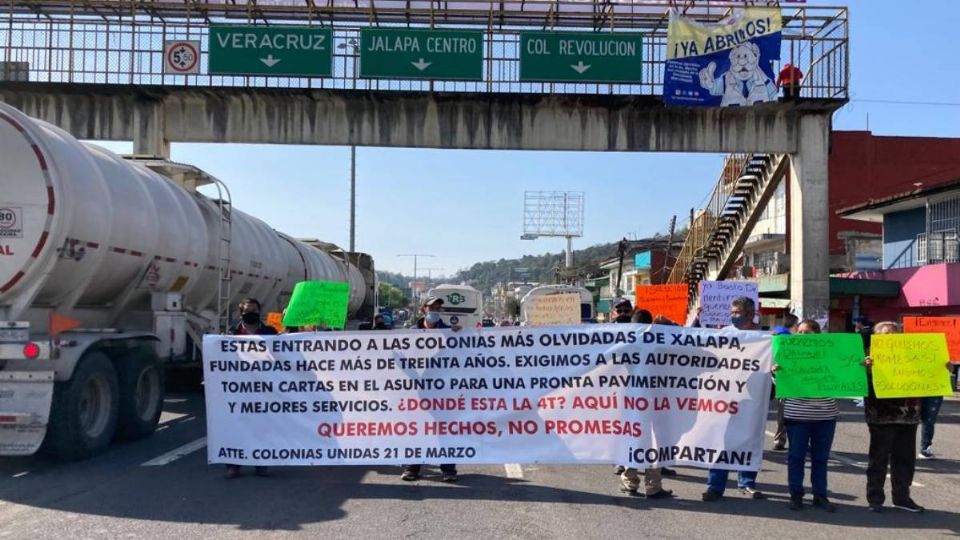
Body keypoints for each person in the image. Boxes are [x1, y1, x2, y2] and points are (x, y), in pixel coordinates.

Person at [610, 299, 674, 499]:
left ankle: (630, 483)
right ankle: (653, 486)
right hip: (655, 401)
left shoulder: (627, 343)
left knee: (634, 439)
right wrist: (669, 326)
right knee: (654, 442)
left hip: (632, 401)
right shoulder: (659, 343)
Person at [703, 296, 765, 501]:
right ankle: (715, 486)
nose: (733, 316)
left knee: (749, 437)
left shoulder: (764, 336)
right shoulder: (725, 334)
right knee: (720, 440)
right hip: (726, 395)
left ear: (750, 314)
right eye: (732, 312)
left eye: (737, 312)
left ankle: (747, 482)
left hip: (753, 397)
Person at [774, 319, 838, 512]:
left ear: (817, 335)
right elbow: (779, 384)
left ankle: (820, 495)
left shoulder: (830, 356)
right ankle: (796, 494)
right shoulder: (788, 354)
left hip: (825, 416)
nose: (802, 336)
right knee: (796, 457)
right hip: (797, 416)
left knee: (820, 458)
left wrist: (858, 368)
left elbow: (846, 373)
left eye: (807, 333)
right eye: (799, 332)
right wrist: (776, 372)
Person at [863, 321, 924, 513]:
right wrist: (867, 368)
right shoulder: (868, 357)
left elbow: (927, 374)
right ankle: (875, 499)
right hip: (881, 415)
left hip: (908, 415)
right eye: (885, 335)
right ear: (876, 338)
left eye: (894, 334)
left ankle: (902, 497)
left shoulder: (913, 355)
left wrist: (941, 367)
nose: (890, 338)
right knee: (878, 458)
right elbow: (854, 380)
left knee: (905, 458)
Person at [401, 295, 461, 482]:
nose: (435, 311)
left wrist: (460, 335)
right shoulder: (411, 333)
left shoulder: (448, 331)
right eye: (431, 307)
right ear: (423, 310)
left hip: (442, 391)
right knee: (417, 429)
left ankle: (448, 470)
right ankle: (412, 468)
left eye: (438, 308)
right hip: (417, 392)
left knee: (445, 430)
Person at [226, 298, 278, 479]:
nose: (252, 313)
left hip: (263, 388)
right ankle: (233, 465)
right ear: (241, 313)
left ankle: (261, 463)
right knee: (236, 425)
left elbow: (281, 356)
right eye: (248, 310)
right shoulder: (231, 334)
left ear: (260, 312)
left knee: (262, 426)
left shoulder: (270, 332)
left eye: (255, 310)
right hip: (238, 389)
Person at [772, 316, 798, 452]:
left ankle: (779, 440)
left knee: (782, 413)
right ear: (793, 325)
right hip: (790, 381)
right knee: (791, 413)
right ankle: (786, 440)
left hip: (780, 380)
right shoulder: (787, 339)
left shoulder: (775, 336)